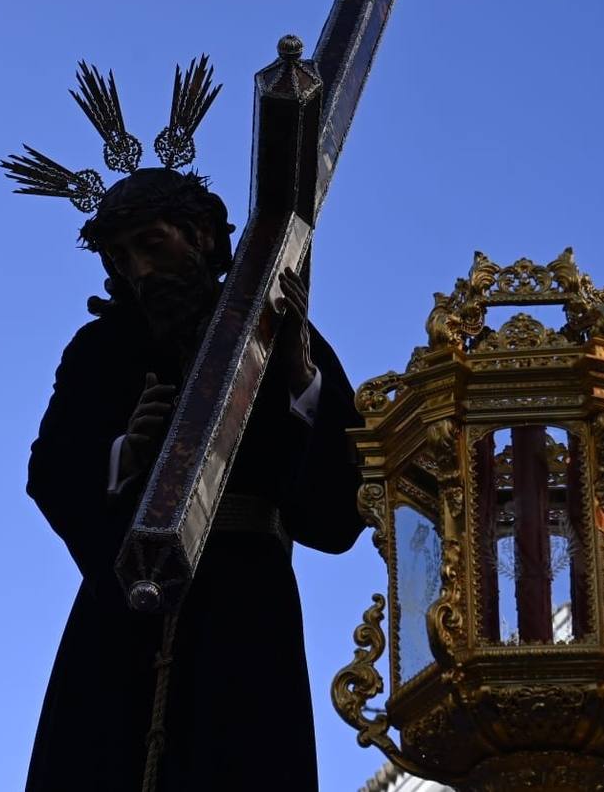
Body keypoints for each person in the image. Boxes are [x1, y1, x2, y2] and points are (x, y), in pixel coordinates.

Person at [21, 165, 363, 792]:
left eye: (152, 245)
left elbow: (340, 511)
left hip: (247, 610)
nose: (139, 272)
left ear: (202, 236)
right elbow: (52, 470)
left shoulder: (280, 332)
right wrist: (127, 452)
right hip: (128, 601)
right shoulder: (99, 349)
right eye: (121, 258)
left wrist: (297, 382)